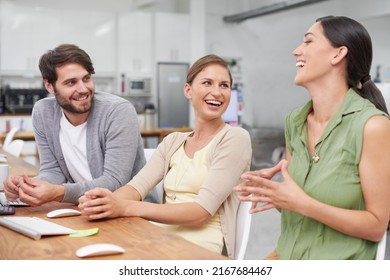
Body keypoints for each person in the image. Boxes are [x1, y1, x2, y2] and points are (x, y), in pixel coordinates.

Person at [235, 16, 390, 260]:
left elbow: (376, 226)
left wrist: (302, 203)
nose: (296, 51)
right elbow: (299, 210)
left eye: (308, 41)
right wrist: (276, 194)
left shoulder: (372, 126)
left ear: (337, 55)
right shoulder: (295, 122)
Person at [78, 54, 252, 258]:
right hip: (161, 236)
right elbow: (136, 187)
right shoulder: (173, 141)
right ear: (188, 90)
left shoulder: (235, 138)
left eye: (224, 85)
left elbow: (200, 212)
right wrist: (104, 202)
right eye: (207, 83)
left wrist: (124, 207)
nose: (217, 92)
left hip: (201, 249)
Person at [3, 43, 148, 206]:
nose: (83, 89)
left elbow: (115, 182)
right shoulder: (44, 113)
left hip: (130, 210)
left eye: (86, 78)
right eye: (71, 83)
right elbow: (52, 172)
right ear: (49, 86)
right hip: (83, 206)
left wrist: (59, 192)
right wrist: (27, 187)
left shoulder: (118, 112)